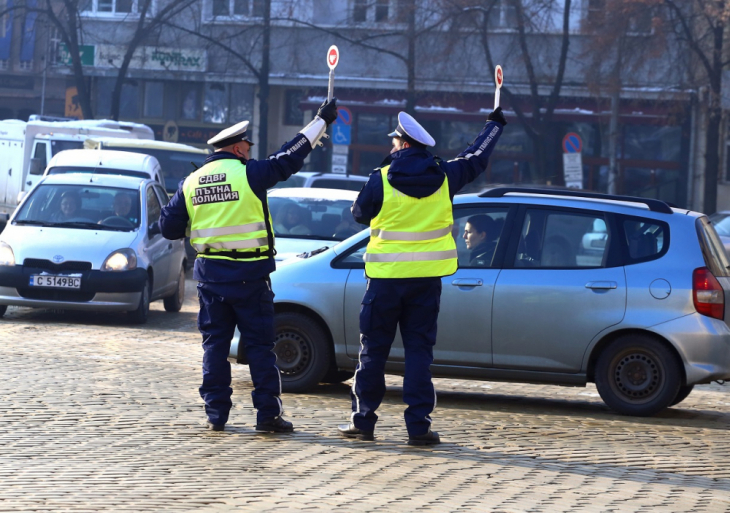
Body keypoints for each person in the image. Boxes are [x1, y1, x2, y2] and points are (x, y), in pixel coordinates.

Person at [159, 99, 338, 432]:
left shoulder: (191, 182)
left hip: (211, 281)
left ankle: (216, 415)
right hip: (250, 279)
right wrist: (320, 122)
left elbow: (168, 227)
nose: (249, 152)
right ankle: (267, 416)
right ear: (239, 148)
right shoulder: (250, 174)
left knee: (214, 346)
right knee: (259, 348)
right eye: (247, 147)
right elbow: (290, 156)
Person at [338, 108, 507, 445]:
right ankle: (418, 427)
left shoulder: (381, 178)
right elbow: (476, 157)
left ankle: (364, 422)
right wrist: (494, 125)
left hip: (384, 282)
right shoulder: (446, 176)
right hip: (426, 283)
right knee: (418, 353)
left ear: (400, 144)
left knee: (373, 352)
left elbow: (359, 214)